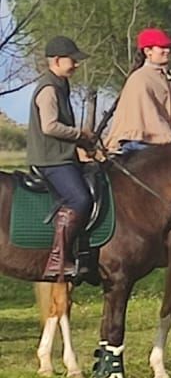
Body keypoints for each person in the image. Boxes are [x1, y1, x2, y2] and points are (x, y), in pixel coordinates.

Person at [28, 36, 99, 283]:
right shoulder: (48, 89)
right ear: (57, 60)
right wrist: (80, 135)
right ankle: (57, 261)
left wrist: (82, 144)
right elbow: (50, 126)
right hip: (51, 160)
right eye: (73, 60)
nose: (76, 65)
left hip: (62, 156)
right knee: (79, 199)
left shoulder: (61, 84)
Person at [105, 27, 171, 152]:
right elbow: (149, 119)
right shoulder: (140, 79)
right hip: (139, 144)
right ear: (148, 51)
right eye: (162, 47)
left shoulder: (170, 79)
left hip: (165, 142)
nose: (167, 51)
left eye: (168, 47)